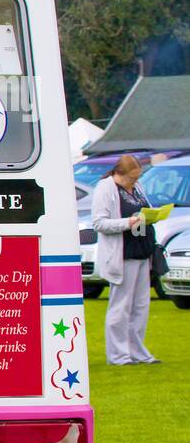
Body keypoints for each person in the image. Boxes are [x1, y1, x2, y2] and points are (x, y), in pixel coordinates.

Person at [93, 154, 159, 365]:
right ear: (118, 174)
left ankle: (138, 352)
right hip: (122, 254)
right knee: (120, 307)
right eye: (131, 178)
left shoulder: (138, 187)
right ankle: (118, 355)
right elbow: (99, 223)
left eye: (137, 178)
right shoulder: (106, 188)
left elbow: (143, 209)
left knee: (140, 306)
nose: (134, 182)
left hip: (142, 251)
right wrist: (128, 222)